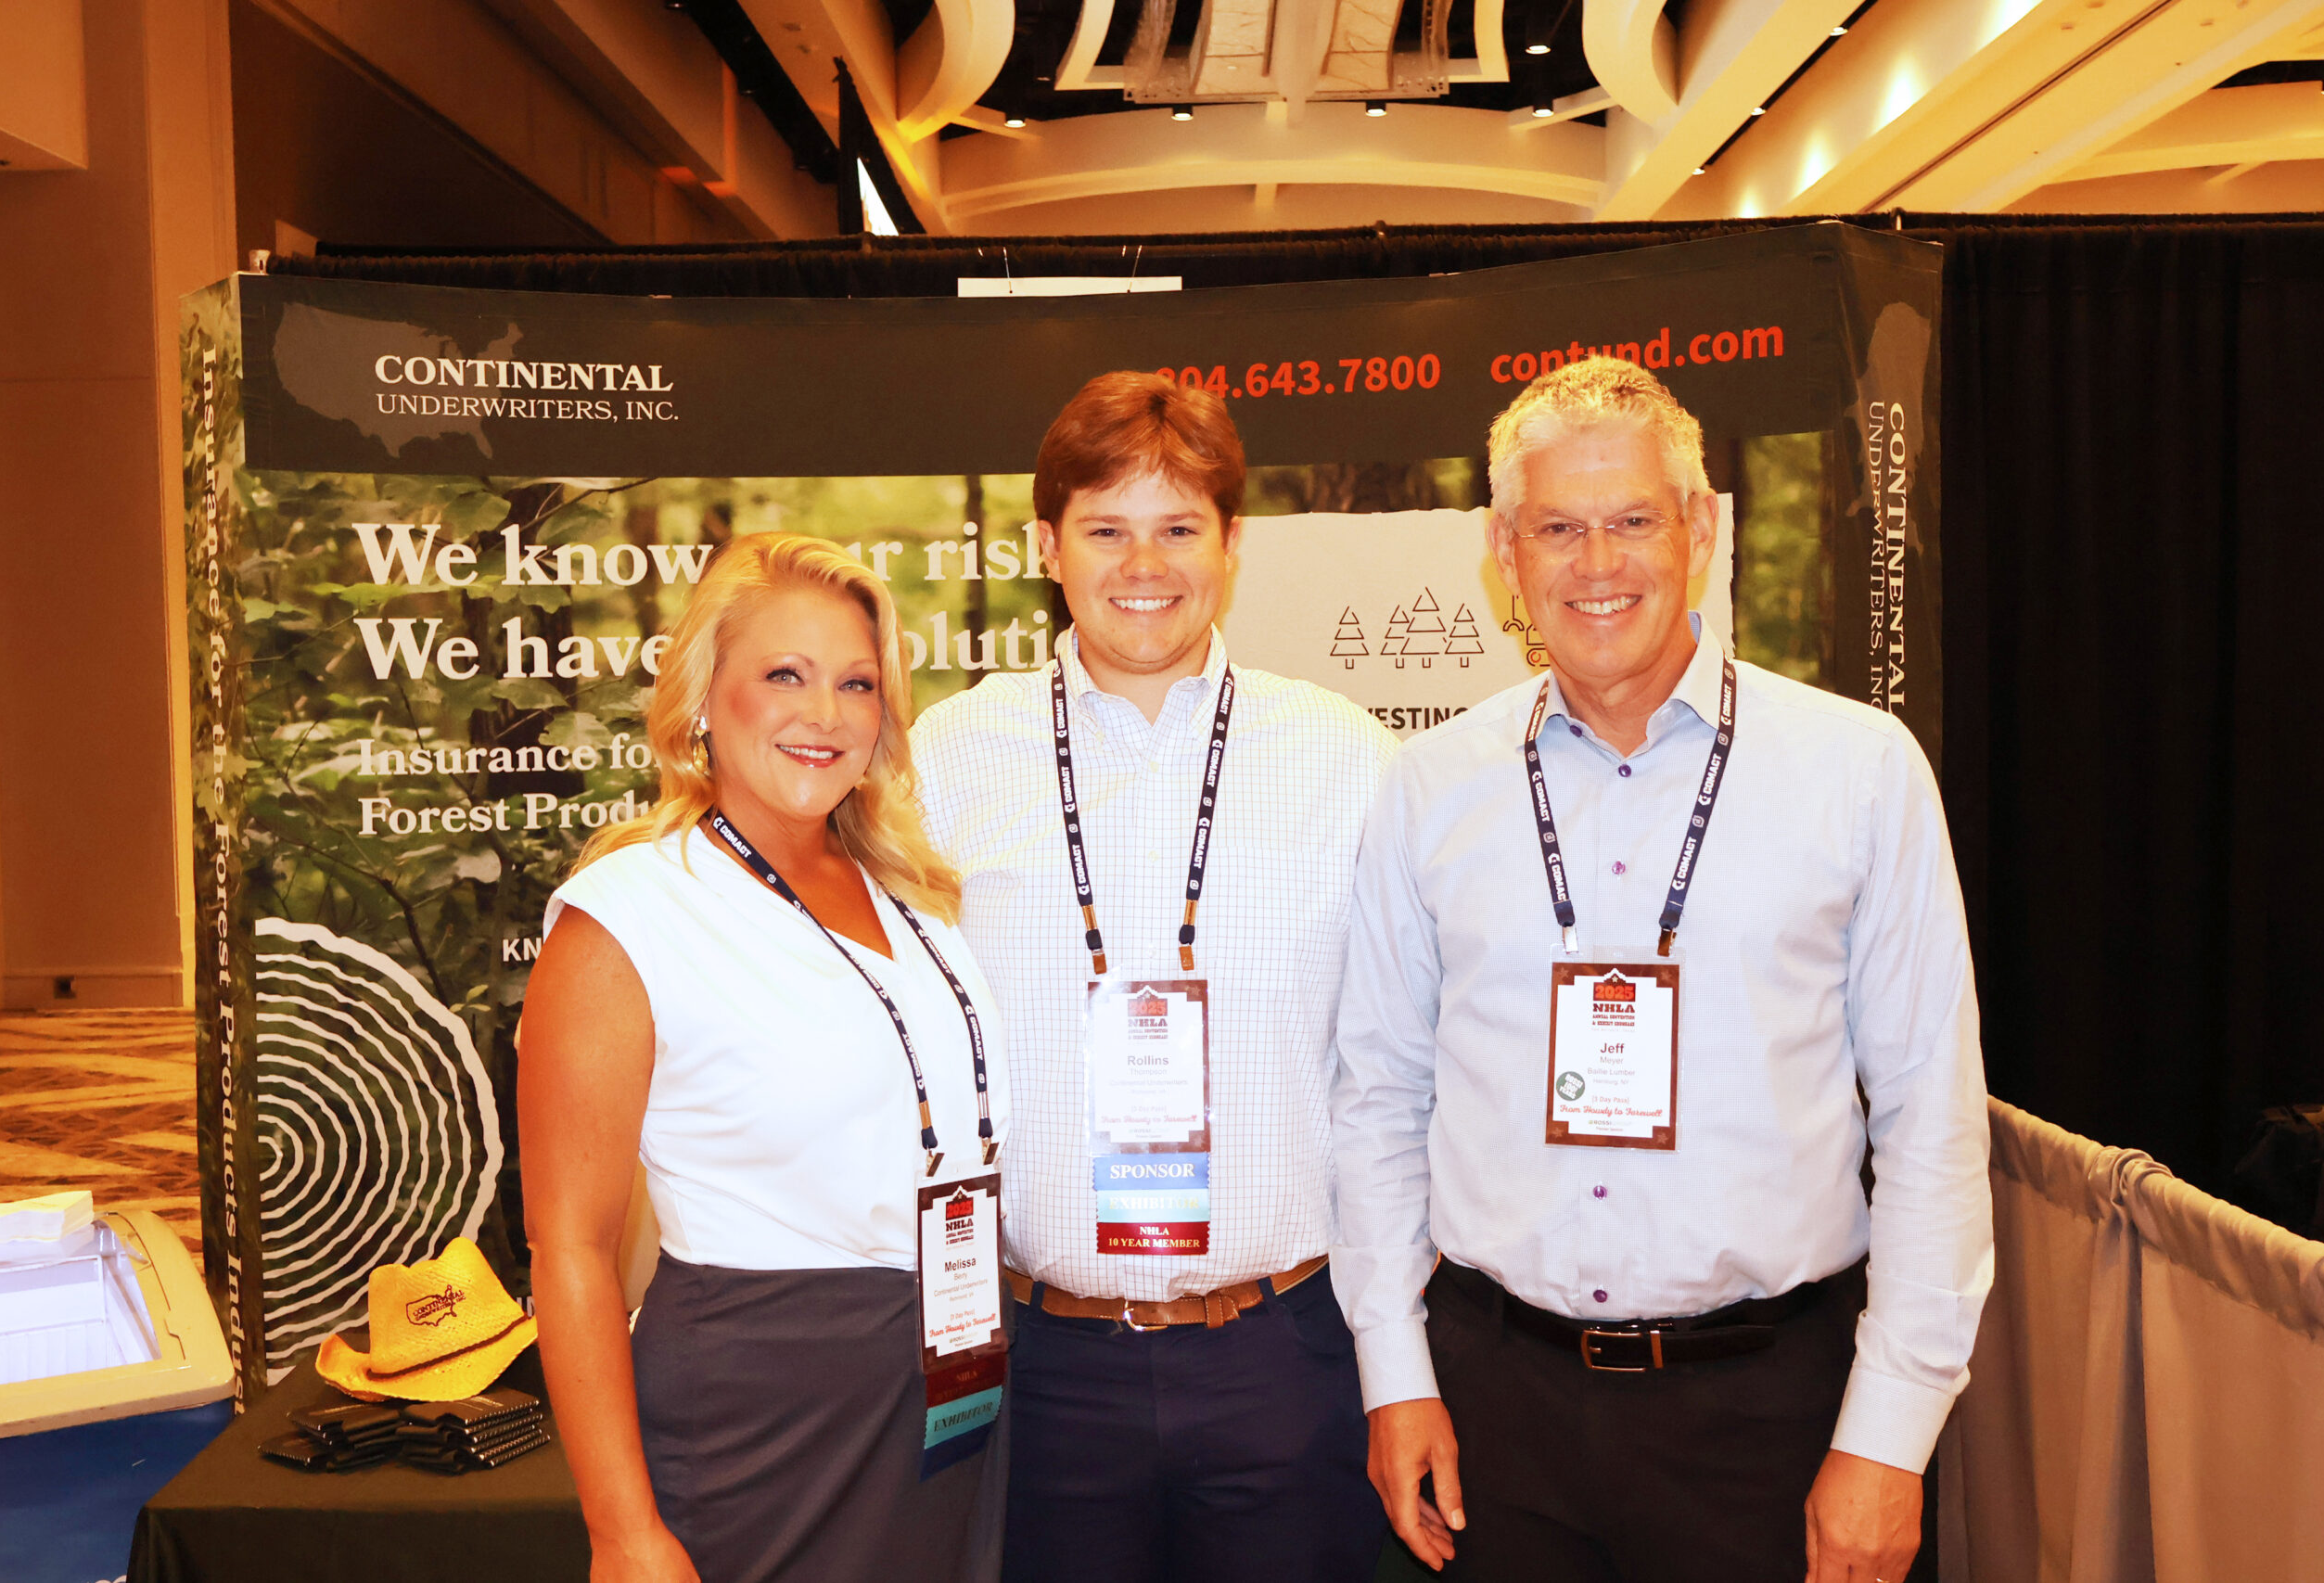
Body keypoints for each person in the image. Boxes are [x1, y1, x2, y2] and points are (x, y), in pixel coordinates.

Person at [1332, 358, 1992, 1583]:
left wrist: (1890, 1435)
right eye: (1558, 528)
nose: (1598, 562)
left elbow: (1931, 1123)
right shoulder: (1430, 787)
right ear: (1504, 551)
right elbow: (1376, 1098)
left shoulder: (1858, 772)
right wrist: (1394, 1370)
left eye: (1633, 519)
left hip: (1770, 1418)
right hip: (1494, 1414)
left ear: (1699, 529)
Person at [912, 371, 1397, 1583]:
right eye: (1105, 529)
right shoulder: (946, 761)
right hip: (1040, 1368)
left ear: (1232, 544)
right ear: (1047, 546)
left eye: (1179, 527)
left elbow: (1401, 1070)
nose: (1144, 564)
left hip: (1283, 1356)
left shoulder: (1348, 758)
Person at [520, 533, 1010, 1583]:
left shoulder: (907, 896)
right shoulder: (628, 915)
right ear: (704, 696)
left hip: (948, 1374)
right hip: (762, 1405)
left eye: (856, 683)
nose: (824, 713)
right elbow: (570, 1250)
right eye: (785, 674)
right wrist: (623, 1533)